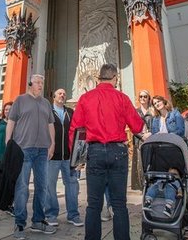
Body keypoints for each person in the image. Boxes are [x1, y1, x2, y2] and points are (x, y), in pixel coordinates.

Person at [69, 63, 144, 240]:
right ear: (115, 78)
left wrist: (77, 159)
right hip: (118, 151)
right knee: (119, 204)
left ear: (99, 78)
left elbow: (75, 129)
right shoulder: (122, 97)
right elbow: (137, 125)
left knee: (93, 204)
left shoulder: (86, 98)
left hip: (94, 151)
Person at [5, 74, 56, 239]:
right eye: (38, 82)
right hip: (23, 149)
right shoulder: (20, 100)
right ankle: (20, 223)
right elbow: (11, 121)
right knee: (22, 187)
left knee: (42, 187)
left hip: (43, 150)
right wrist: (8, 142)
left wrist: (52, 143)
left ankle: (38, 221)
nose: (41, 85)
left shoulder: (46, 103)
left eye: (42, 82)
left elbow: (50, 124)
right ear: (30, 84)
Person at [45, 88, 83, 227]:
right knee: (50, 186)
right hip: (52, 157)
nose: (62, 95)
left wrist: (79, 157)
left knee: (72, 185)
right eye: (59, 93)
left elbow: (78, 132)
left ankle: (73, 215)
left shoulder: (70, 112)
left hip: (69, 157)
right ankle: (51, 214)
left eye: (64, 94)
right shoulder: (47, 111)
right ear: (53, 96)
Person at [131, 90, 153, 190]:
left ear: (149, 98)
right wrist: (141, 136)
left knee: (151, 160)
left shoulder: (152, 111)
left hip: (151, 138)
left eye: (145, 96)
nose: (143, 99)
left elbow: (156, 124)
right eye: (141, 97)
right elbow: (132, 126)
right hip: (139, 139)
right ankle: (141, 184)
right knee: (140, 163)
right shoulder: (136, 111)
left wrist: (150, 133)